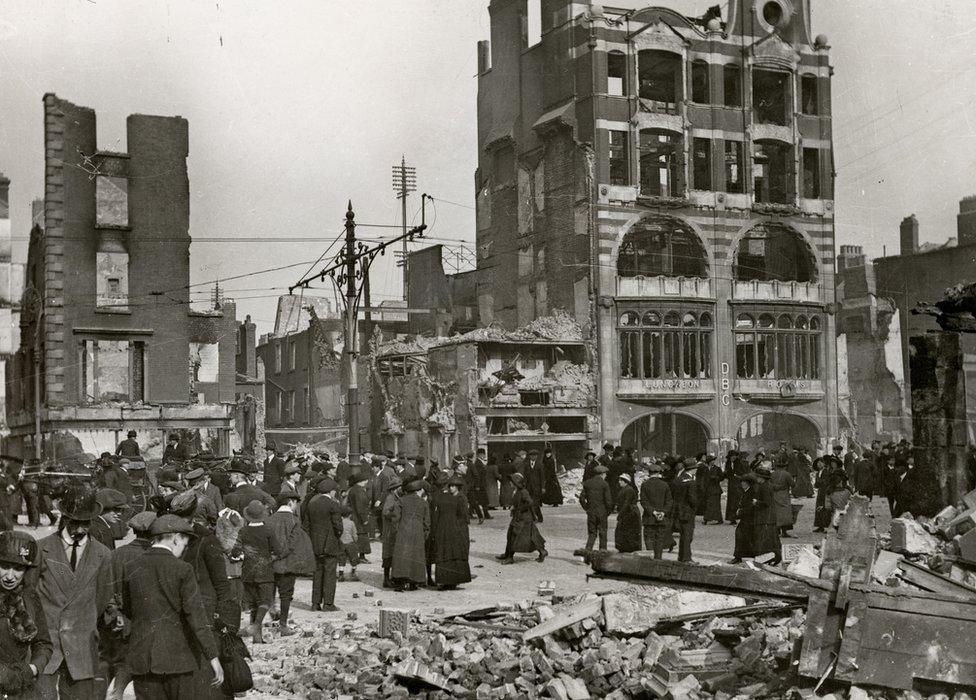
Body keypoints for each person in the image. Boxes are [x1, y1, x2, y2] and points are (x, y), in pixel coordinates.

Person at [120, 514, 223, 698]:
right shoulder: (183, 569)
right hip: (178, 660)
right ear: (176, 538)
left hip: (143, 660)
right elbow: (196, 617)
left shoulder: (131, 566)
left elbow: (128, 609)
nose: (183, 551)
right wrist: (213, 657)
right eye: (184, 545)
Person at [36, 486, 116, 699]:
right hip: (46, 649)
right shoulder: (41, 549)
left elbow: (101, 599)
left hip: (82, 647)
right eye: (75, 522)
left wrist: (81, 620)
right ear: (64, 517)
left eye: (85, 523)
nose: (80, 529)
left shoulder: (103, 555)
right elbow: (30, 596)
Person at [170, 492, 236, 697]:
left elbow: (222, 586)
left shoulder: (206, 540)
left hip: (202, 615)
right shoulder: (172, 537)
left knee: (206, 673)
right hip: (187, 614)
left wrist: (223, 619)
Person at [107, 511, 156, 700]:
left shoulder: (117, 554)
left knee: (124, 660)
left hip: (120, 617)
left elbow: (108, 587)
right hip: (145, 618)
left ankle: (117, 693)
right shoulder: (152, 555)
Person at [0, 530, 53, 700]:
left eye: (18, 568)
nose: (10, 576)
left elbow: (44, 643)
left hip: (21, 688)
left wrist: (33, 668)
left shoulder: (29, 596)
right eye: (4, 566)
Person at [268, 491, 314, 636]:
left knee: (270, 592)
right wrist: (280, 555)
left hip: (271, 563)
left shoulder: (270, 519)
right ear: (290, 503)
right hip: (288, 564)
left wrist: (272, 556)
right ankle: (283, 625)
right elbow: (292, 544)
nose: (295, 506)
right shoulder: (294, 520)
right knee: (286, 595)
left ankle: (270, 614)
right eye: (295, 503)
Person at [239, 500, 284, 643]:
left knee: (253, 604)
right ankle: (256, 626)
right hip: (264, 571)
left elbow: (235, 550)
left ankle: (257, 638)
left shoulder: (243, 531)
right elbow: (278, 550)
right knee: (265, 601)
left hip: (247, 571)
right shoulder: (268, 530)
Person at [306, 478, 343, 612]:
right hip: (330, 544)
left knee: (317, 573)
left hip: (315, 543)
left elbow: (307, 525)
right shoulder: (333, 504)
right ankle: (328, 604)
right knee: (330, 574)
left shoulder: (312, 503)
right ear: (332, 492)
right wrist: (337, 537)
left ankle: (315, 603)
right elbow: (338, 527)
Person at [496, 473, 547, 564]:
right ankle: (508, 554)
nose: (510, 483)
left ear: (516, 483)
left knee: (514, 536)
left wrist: (518, 509)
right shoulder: (517, 491)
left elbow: (530, 503)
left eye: (512, 481)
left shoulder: (523, 492)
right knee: (519, 535)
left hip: (524, 518)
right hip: (519, 517)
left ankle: (510, 557)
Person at [432, 475, 471, 590]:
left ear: (458, 487)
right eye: (450, 486)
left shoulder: (462, 498)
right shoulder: (450, 497)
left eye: (453, 486)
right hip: (451, 529)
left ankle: (453, 580)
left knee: (456, 552)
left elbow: (463, 516)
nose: (451, 488)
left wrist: (456, 527)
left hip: (459, 529)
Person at [389, 480, 430, 591]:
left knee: (402, 556)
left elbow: (395, 519)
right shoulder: (423, 502)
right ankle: (414, 582)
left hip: (403, 531)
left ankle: (401, 582)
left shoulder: (401, 501)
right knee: (416, 556)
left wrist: (396, 532)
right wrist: (425, 534)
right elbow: (427, 522)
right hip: (418, 532)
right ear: (417, 490)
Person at [750, 463, 782, 565]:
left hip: (765, 517)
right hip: (769, 517)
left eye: (758, 477)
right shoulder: (767, 485)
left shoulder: (763, 487)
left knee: (764, 539)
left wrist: (756, 502)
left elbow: (766, 503)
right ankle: (775, 557)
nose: (756, 479)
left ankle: (767, 559)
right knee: (772, 538)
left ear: (761, 478)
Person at [640, 462, 673, 559]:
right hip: (662, 517)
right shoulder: (665, 485)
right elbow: (669, 501)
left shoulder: (644, 485)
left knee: (649, 539)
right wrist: (663, 512)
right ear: (658, 473)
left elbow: (644, 502)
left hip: (649, 517)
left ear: (649, 473)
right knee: (659, 539)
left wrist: (653, 512)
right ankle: (658, 558)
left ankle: (650, 561)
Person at [671, 458, 698, 563]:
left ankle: (681, 556)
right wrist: (695, 507)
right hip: (688, 511)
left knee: (683, 534)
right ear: (693, 469)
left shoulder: (678, 479)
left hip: (679, 511)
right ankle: (686, 557)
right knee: (688, 535)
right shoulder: (691, 482)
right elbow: (692, 499)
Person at [579, 464, 612, 551]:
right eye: (605, 474)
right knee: (603, 532)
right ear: (602, 474)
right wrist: (608, 511)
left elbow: (581, 498)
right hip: (602, 512)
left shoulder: (587, 483)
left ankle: (587, 553)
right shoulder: (605, 484)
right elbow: (608, 501)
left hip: (591, 512)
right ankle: (602, 553)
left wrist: (586, 508)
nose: (606, 476)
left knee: (592, 533)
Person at [380, 477, 402, 589]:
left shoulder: (397, 497)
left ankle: (391, 577)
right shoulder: (390, 498)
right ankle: (386, 579)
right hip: (390, 531)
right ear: (394, 489)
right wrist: (394, 517)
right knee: (388, 555)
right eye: (399, 487)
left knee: (392, 554)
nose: (401, 488)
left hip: (394, 529)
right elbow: (385, 512)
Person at [730, 473, 758, 564]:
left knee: (743, 536)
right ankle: (739, 556)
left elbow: (751, 507)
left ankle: (739, 557)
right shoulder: (747, 491)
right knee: (743, 537)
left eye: (744, 482)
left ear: (748, 483)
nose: (742, 484)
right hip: (746, 519)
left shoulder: (751, 492)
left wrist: (741, 511)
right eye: (742, 482)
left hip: (749, 519)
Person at [346, 471, 371, 563]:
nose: (367, 482)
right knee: (361, 536)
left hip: (354, 516)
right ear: (361, 481)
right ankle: (361, 557)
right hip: (359, 518)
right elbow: (360, 507)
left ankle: (357, 556)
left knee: (357, 536)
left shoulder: (354, 489)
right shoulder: (359, 491)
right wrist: (364, 519)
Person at [614, 473, 642, 553]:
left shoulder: (629, 490)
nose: (619, 482)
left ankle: (628, 548)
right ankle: (624, 547)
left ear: (625, 481)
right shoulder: (625, 489)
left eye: (621, 480)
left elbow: (627, 503)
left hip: (630, 514)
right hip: (627, 514)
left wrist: (620, 514)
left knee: (628, 533)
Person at [769, 459, 796, 538]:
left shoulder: (772, 474)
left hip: (775, 494)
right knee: (785, 513)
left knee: (776, 512)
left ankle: (776, 531)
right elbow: (793, 484)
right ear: (785, 466)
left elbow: (769, 484)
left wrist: (775, 487)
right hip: (784, 495)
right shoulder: (787, 474)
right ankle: (784, 532)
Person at [519, 450, 544, 521]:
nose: (533, 457)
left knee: (535, 503)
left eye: (535, 455)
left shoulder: (540, 465)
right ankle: (537, 517)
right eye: (532, 455)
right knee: (530, 502)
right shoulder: (526, 465)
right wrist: (524, 485)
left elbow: (542, 477)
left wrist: (543, 487)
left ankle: (538, 517)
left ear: (537, 456)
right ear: (530, 456)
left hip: (537, 486)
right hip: (529, 486)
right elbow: (525, 476)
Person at [337, 505, 360, 583]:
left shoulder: (340, 522)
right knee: (353, 558)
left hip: (341, 543)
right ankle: (353, 573)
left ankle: (341, 575)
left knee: (341, 559)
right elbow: (354, 534)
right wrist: (356, 540)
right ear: (350, 515)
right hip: (350, 543)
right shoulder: (351, 523)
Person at [465, 453, 490, 523]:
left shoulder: (471, 465)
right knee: (471, 502)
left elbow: (476, 475)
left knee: (472, 502)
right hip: (469, 486)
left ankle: (480, 516)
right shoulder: (470, 464)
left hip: (470, 486)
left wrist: (475, 485)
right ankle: (475, 516)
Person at [702, 455, 724, 525]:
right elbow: (703, 479)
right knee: (708, 504)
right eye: (712, 461)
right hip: (708, 489)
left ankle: (718, 519)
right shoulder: (705, 469)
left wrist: (716, 478)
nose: (713, 462)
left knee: (716, 505)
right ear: (709, 462)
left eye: (713, 460)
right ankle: (707, 518)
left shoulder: (717, 469)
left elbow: (722, 477)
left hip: (715, 489)